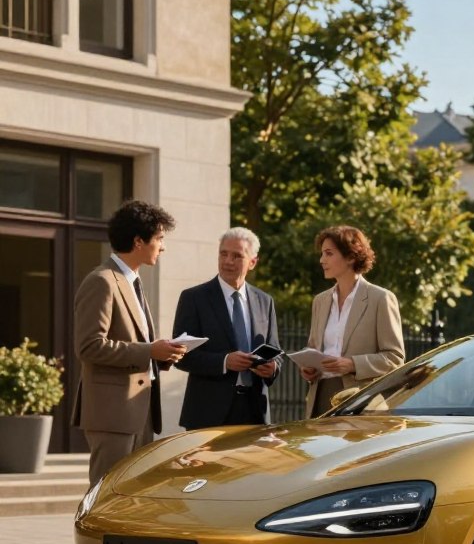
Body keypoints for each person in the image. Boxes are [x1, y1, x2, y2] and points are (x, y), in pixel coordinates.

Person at [73, 199, 186, 485]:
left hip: (140, 411)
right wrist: (150, 350)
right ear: (138, 241)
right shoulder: (101, 281)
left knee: (132, 496)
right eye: (159, 238)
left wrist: (162, 355)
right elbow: (89, 346)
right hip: (113, 414)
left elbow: (135, 345)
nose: (163, 247)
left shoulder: (133, 282)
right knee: (106, 494)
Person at [173, 227, 282, 430]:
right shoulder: (194, 298)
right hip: (208, 414)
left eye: (237, 256)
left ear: (253, 262)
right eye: (223, 254)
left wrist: (272, 368)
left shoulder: (265, 301)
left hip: (255, 412)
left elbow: (275, 351)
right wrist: (224, 361)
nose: (228, 261)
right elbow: (181, 356)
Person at [301, 224, 404, 417]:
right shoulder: (320, 301)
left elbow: (394, 358)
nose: (322, 260)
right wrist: (309, 369)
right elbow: (313, 349)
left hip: (360, 400)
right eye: (322, 254)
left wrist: (352, 364)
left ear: (350, 256)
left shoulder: (381, 298)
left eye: (329, 253)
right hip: (320, 395)